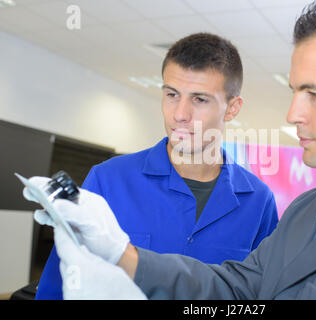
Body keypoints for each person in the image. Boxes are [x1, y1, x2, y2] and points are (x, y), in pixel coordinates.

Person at [26, 0, 316, 299]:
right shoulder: (305, 211)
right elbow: (236, 291)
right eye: (294, 91)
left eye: (314, 94)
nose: (293, 113)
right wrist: (122, 254)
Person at [32, 33, 279, 300]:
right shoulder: (108, 180)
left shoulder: (258, 202)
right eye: (172, 94)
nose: (180, 114)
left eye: (200, 99)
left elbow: (261, 296)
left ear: (232, 108)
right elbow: (57, 289)